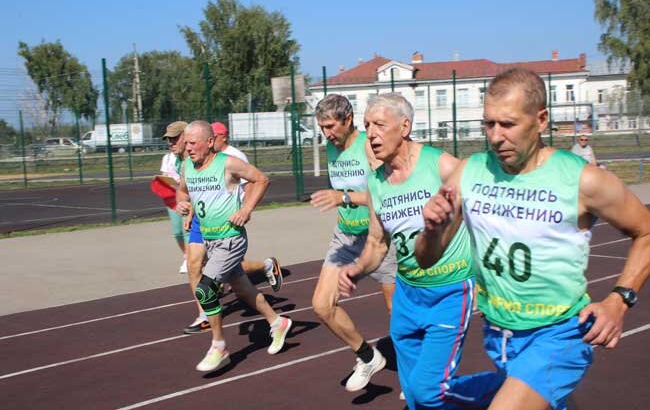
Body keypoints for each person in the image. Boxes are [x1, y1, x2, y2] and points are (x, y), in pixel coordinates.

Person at [415, 67, 650, 410]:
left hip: (561, 334)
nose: (495, 137)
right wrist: (432, 229)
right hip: (500, 335)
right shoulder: (469, 172)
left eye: (508, 124)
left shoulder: (583, 180)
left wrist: (619, 299)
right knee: (427, 395)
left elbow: (645, 230)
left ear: (541, 120)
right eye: (488, 124)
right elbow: (425, 259)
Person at [338, 93, 502, 409]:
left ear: (405, 126)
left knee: (429, 391)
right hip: (407, 296)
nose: (370, 134)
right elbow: (376, 243)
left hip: (450, 293)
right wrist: (356, 269)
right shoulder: (376, 182)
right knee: (414, 395)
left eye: (379, 125)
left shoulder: (439, 164)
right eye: (366, 125)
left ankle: (514, 387)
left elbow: (482, 213)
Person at [176, 120, 292, 373]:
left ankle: (219, 345)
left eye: (193, 143)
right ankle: (277, 322)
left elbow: (261, 179)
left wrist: (246, 209)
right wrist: (183, 205)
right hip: (210, 240)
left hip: (231, 239)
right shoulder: (187, 166)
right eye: (186, 143)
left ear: (209, 142)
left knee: (205, 290)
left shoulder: (227, 163)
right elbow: (182, 192)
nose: (188, 148)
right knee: (243, 289)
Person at [310, 94, 398, 392]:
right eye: (322, 127)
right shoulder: (331, 148)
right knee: (322, 305)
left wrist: (343, 197)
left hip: (379, 236)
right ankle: (367, 356)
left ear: (348, 120)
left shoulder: (368, 147)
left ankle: (416, 377)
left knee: (396, 313)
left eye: (331, 126)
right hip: (346, 235)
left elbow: (383, 193)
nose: (327, 133)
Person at [160, 121, 189, 273]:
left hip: (188, 200)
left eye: (174, 138)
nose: (171, 142)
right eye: (169, 139)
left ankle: (192, 259)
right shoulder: (169, 158)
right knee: (178, 232)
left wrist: (182, 183)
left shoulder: (191, 158)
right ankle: (187, 256)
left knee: (188, 231)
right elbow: (165, 176)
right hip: (173, 198)